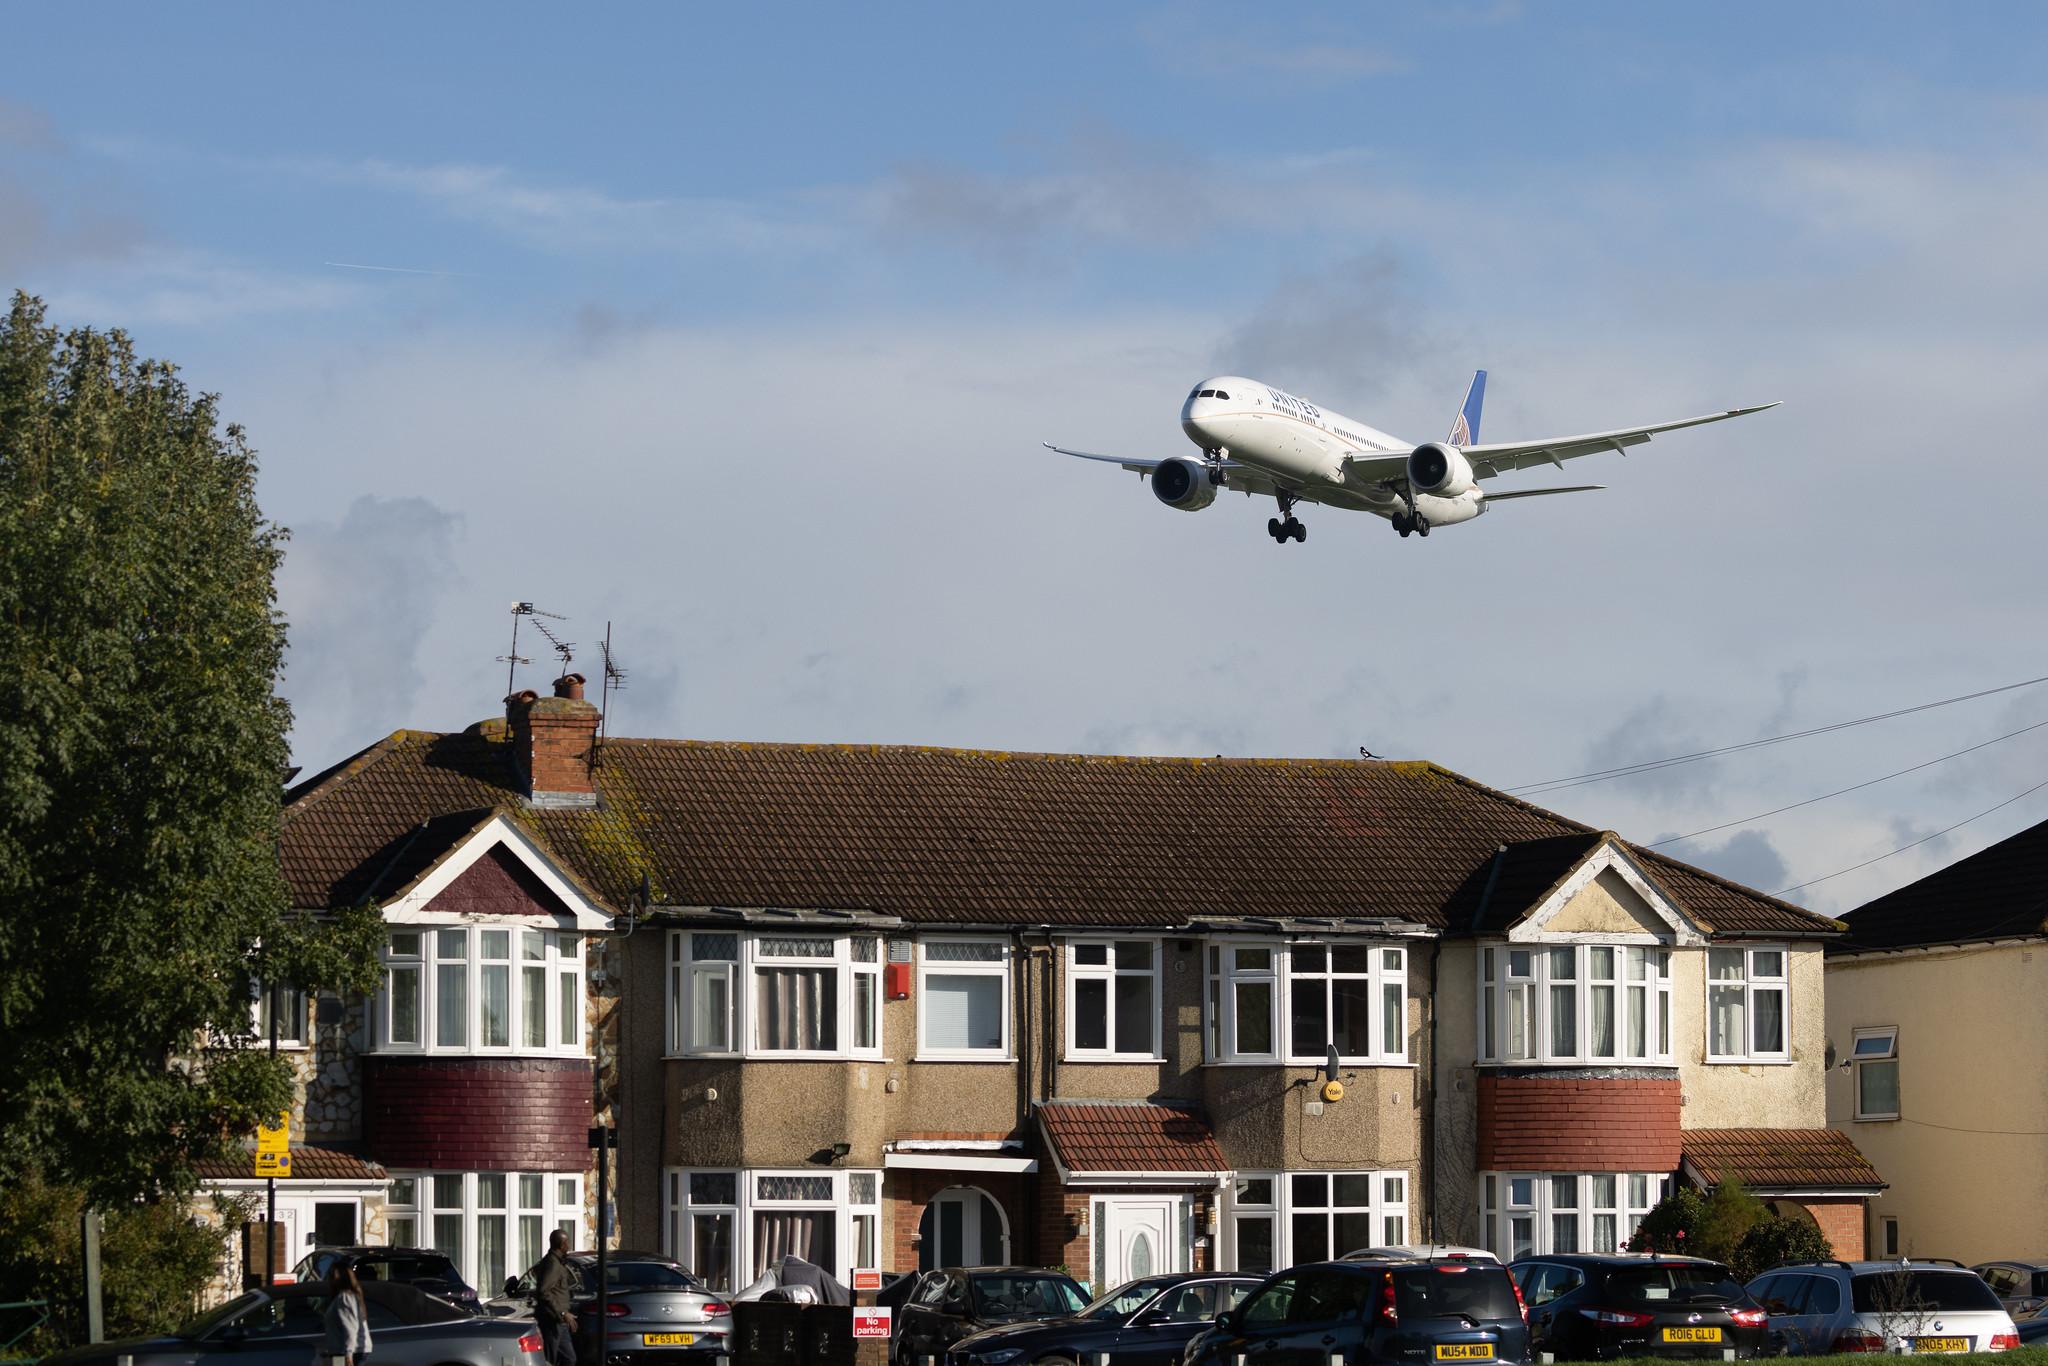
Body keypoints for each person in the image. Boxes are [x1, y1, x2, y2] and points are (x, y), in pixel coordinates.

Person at [529, 1229, 579, 1366]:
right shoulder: (552, 1264)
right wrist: (562, 1312)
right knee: (549, 1360)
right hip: (552, 1321)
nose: (569, 1245)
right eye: (567, 1242)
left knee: (569, 1359)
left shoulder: (556, 1261)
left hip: (560, 1322)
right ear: (562, 1245)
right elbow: (544, 1291)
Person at [316, 1262, 372, 1366]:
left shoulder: (345, 1298)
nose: (329, 1279)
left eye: (331, 1275)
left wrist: (348, 1356)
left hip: (348, 1352)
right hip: (340, 1351)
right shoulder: (346, 1297)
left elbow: (350, 1327)